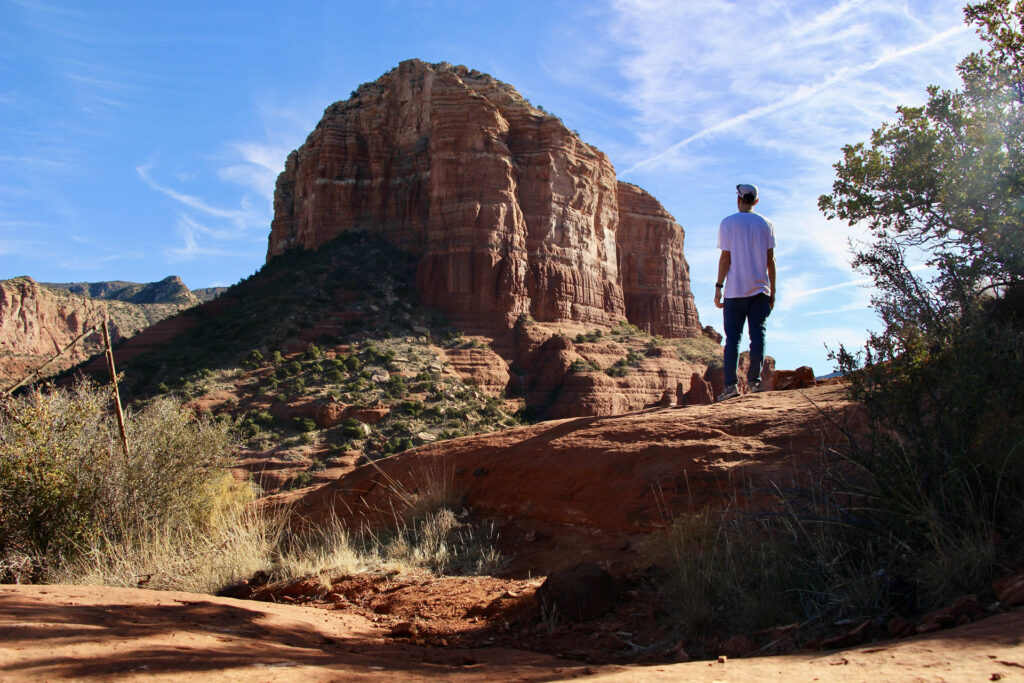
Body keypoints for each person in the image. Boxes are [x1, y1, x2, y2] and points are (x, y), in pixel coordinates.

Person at [714, 183, 776, 401]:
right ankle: (754, 383)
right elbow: (770, 260)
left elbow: (725, 258)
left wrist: (718, 287)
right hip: (760, 290)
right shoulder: (766, 224)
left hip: (735, 292)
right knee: (758, 336)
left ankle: (730, 387)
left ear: (738, 199)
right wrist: (773, 291)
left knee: (733, 340)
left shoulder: (728, 223)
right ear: (756, 201)